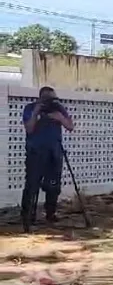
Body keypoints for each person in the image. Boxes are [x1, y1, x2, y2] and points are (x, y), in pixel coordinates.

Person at [20, 86, 75, 232]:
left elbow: (70, 126)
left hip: (54, 152)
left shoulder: (58, 108)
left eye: (53, 99)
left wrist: (60, 118)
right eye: (48, 99)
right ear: (40, 98)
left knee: (53, 185)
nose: (51, 102)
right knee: (32, 185)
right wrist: (37, 112)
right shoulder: (30, 108)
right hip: (35, 152)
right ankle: (28, 216)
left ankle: (50, 213)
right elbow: (29, 128)